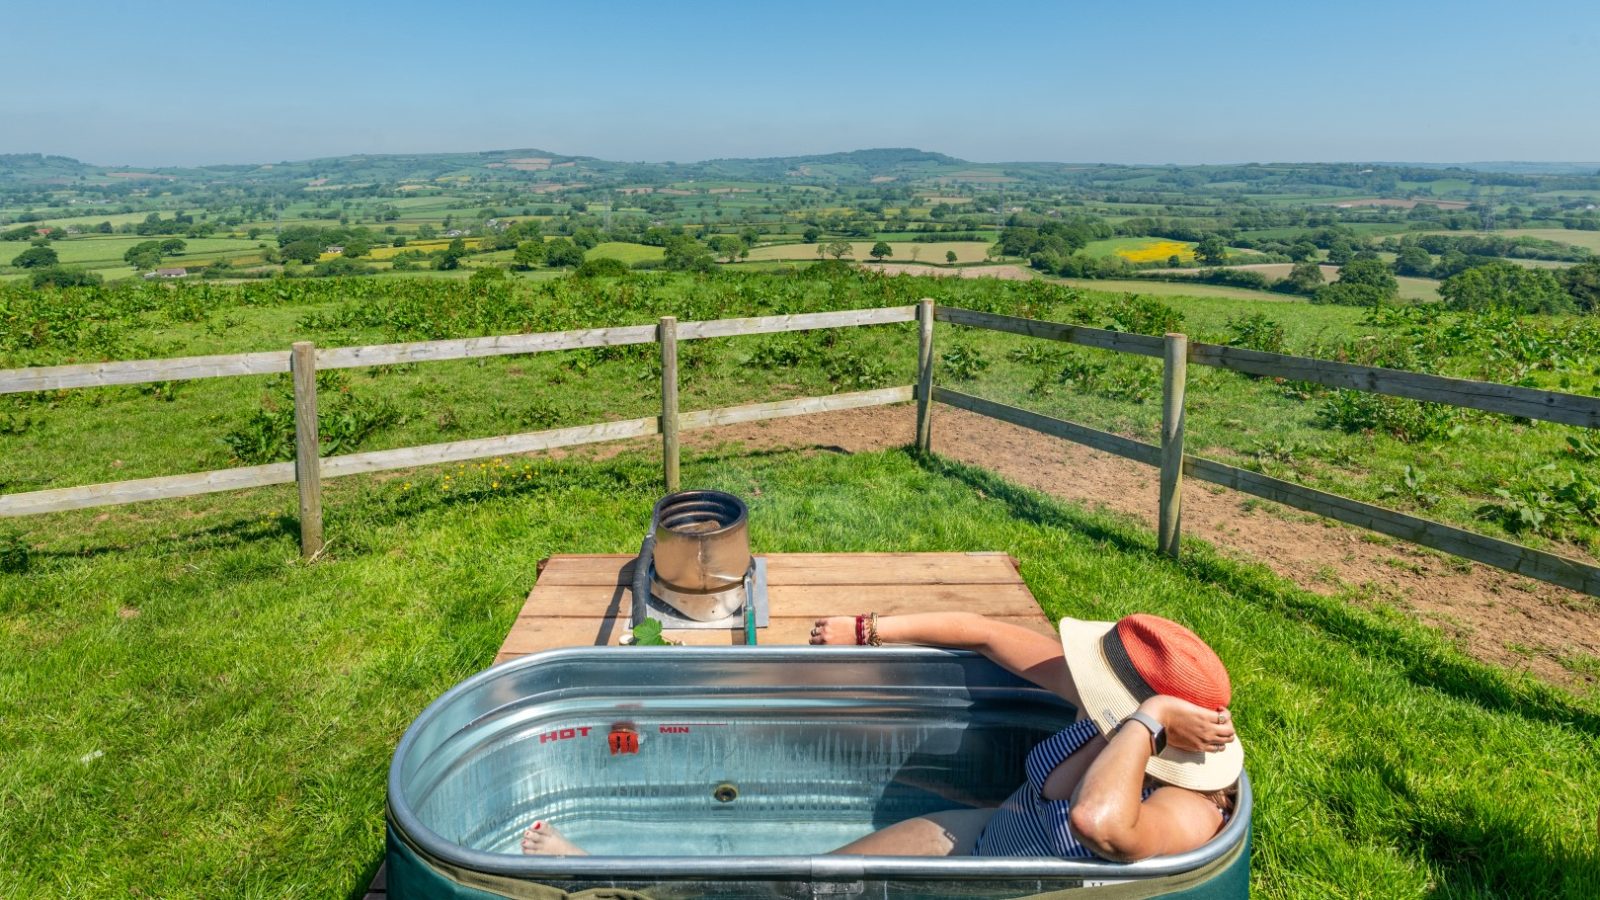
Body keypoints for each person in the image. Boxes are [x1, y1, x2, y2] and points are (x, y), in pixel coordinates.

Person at [521, 611, 1240, 861]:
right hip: (977, 835)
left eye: (1112, 699)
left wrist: (1144, 724)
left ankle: (601, 880)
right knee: (811, 885)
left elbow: (1095, 820)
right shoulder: (1098, 709)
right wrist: (865, 631)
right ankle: (630, 876)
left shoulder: (1188, 809)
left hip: (1012, 886)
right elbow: (986, 636)